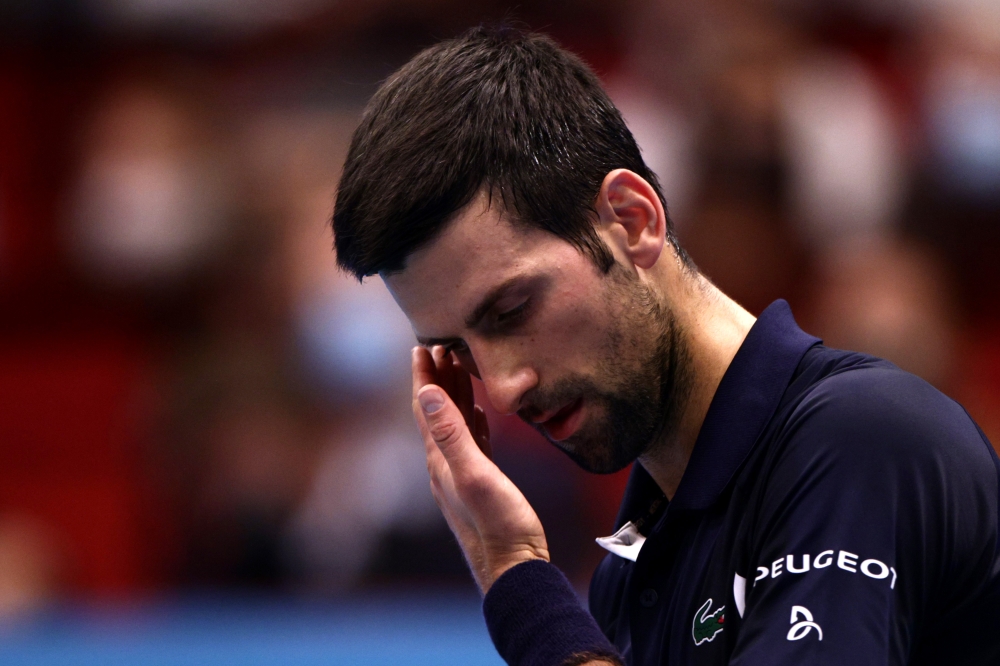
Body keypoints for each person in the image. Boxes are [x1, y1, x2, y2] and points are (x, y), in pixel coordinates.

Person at [330, 24, 1000, 666]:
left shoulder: (858, 441)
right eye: (459, 350)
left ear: (632, 220)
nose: (502, 387)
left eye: (511, 309)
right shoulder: (631, 578)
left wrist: (522, 590)